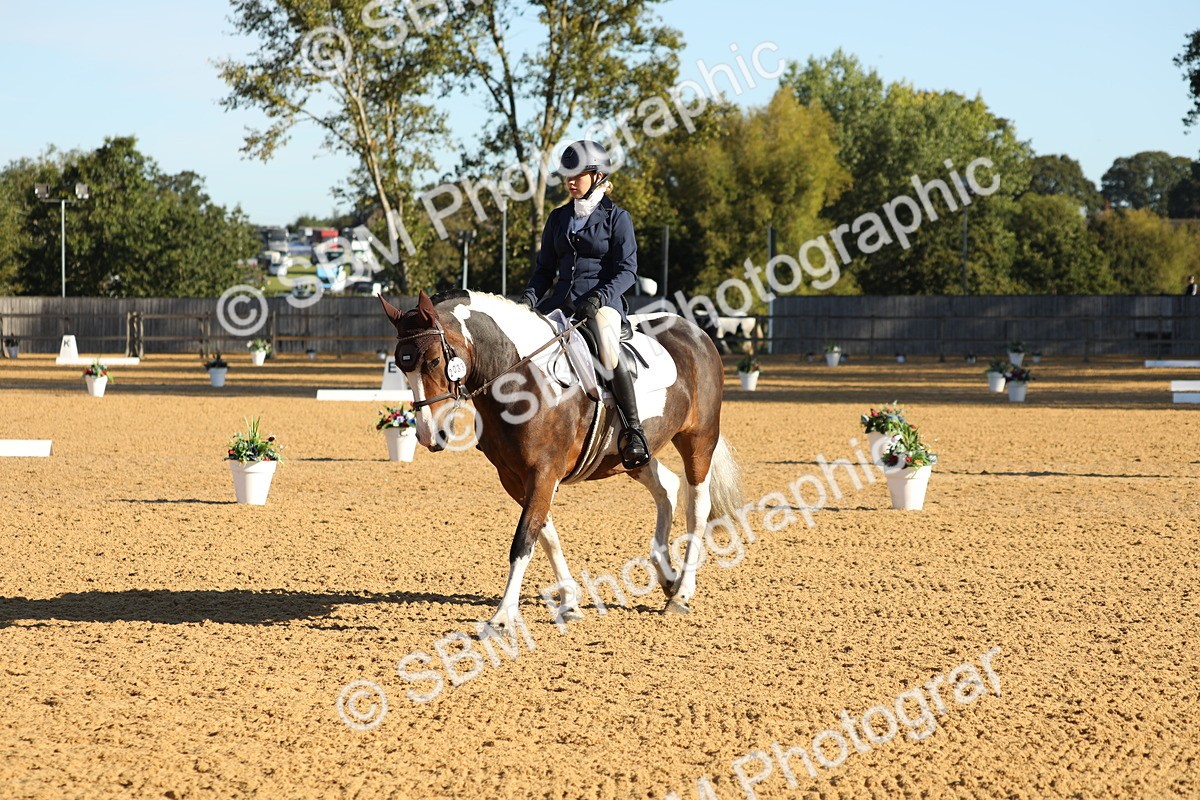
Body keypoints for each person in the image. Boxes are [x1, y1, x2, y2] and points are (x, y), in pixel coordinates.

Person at [516, 140, 650, 469]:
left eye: (577, 175)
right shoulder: (559, 218)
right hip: (559, 301)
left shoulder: (617, 217)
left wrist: (599, 297)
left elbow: (627, 270)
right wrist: (528, 301)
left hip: (601, 303)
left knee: (606, 346)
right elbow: (544, 270)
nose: (570, 181)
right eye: (567, 176)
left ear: (598, 176)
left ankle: (633, 430)